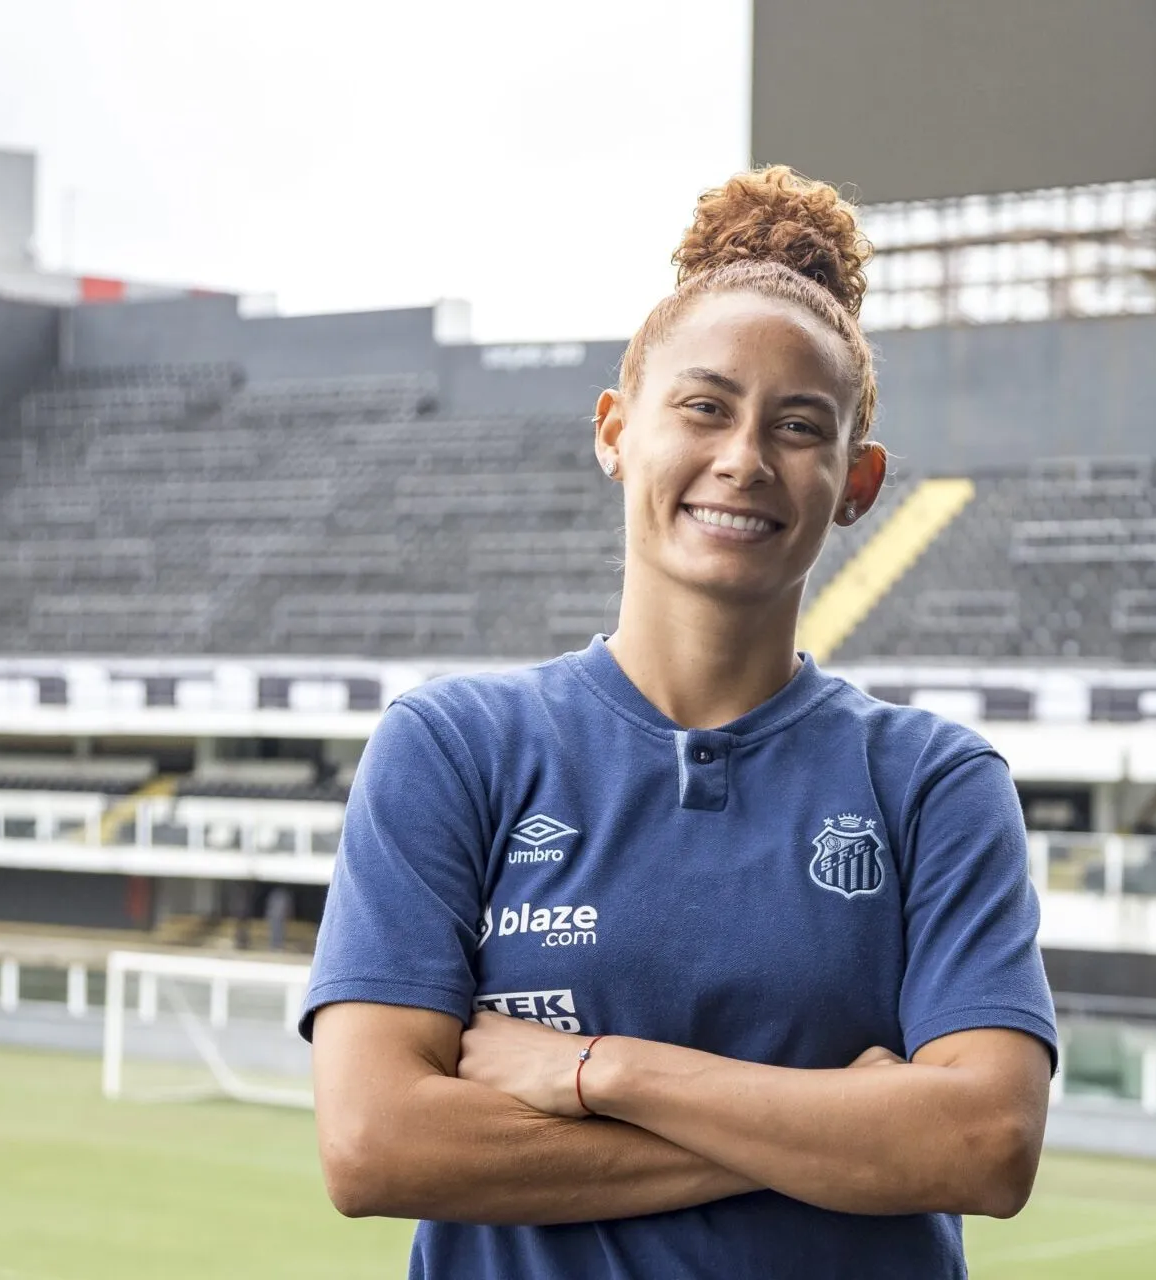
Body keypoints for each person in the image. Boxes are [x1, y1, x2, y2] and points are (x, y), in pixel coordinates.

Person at [300, 165, 1057, 1279]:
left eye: (799, 426)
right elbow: (374, 1143)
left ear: (857, 480)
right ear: (616, 429)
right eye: (703, 405)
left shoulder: (932, 781)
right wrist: (837, 1130)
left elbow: (983, 1143)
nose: (743, 457)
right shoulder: (455, 747)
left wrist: (598, 1071)